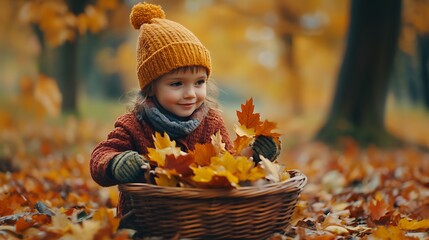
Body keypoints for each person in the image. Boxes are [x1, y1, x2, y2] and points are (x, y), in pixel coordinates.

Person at [90, 1, 280, 222]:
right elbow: (100, 157)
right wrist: (116, 162)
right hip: (145, 220)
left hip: (201, 221)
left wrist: (254, 155)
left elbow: (229, 166)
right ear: (151, 87)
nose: (190, 93)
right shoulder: (134, 124)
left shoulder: (211, 122)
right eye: (177, 84)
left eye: (199, 82)